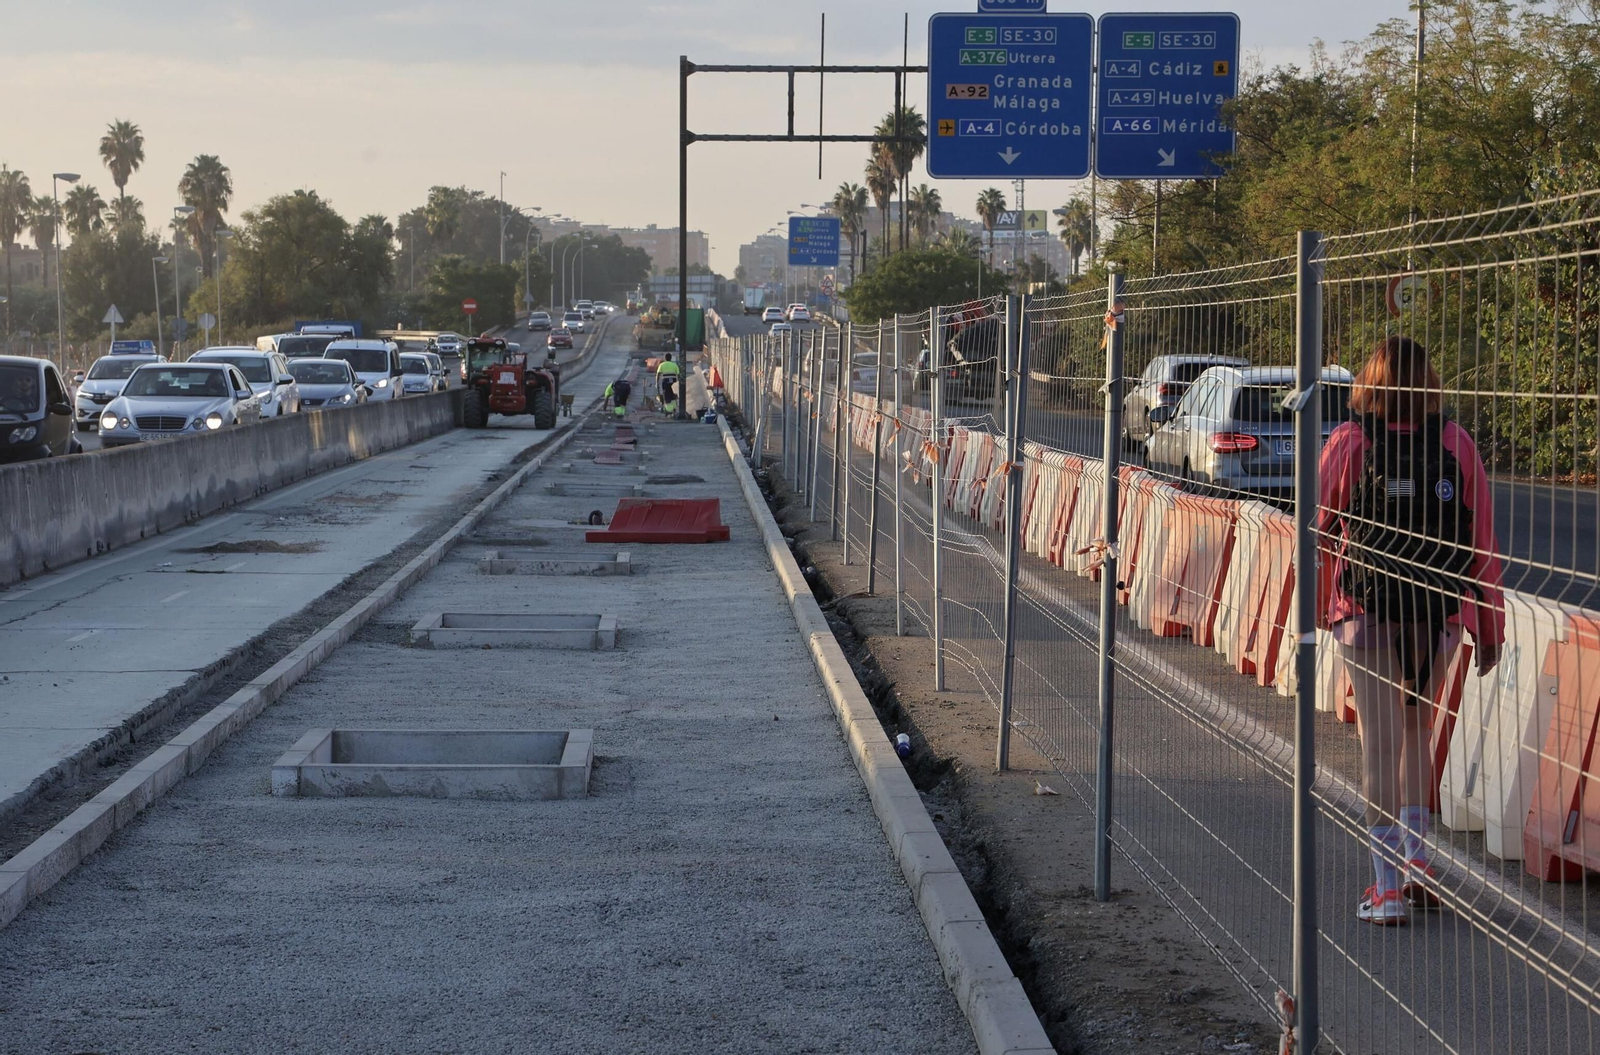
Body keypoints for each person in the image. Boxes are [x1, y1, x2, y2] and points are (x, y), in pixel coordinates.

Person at [1318, 335, 1505, 927]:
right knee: (1417, 735)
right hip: (1437, 613)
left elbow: (1320, 531)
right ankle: (1418, 861)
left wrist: (1318, 611)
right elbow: (1481, 545)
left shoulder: (1349, 442)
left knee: (1378, 743)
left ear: (1368, 383)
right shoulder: (1456, 444)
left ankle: (1386, 888)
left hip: (1366, 611)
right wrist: (1489, 627)